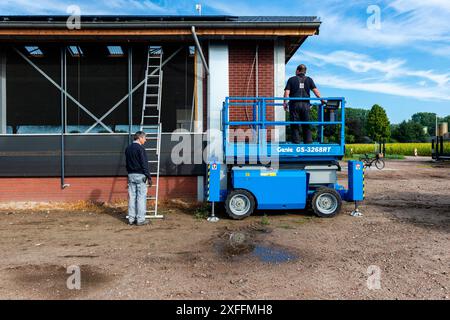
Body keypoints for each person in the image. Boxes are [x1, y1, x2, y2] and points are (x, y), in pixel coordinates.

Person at [283, 64, 325, 144]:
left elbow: (287, 92)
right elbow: (316, 91)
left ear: (297, 70)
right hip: (306, 105)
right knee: (306, 123)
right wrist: (322, 100)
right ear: (305, 72)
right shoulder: (309, 80)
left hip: (294, 105)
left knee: (294, 124)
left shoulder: (291, 79)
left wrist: (285, 103)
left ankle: (296, 141)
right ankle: (308, 141)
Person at [125, 131, 152, 226]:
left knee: (132, 197)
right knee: (141, 197)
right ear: (140, 138)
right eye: (144, 138)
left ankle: (131, 219)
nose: (145, 140)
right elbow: (144, 164)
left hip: (131, 175)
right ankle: (140, 219)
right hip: (140, 175)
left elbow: (127, 164)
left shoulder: (128, 149)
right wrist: (149, 176)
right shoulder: (140, 149)